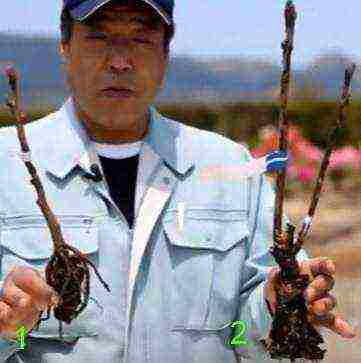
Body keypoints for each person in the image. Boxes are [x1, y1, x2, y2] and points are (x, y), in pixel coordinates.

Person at [0, 0, 355, 362]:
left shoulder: (231, 169)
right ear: (64, 46)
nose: (120, 61)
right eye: (99, 36)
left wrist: (274, 306)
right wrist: (9, 331)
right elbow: (10, 337)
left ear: (166, 53)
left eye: (140, 39)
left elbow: (240, 336)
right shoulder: (5, 166)